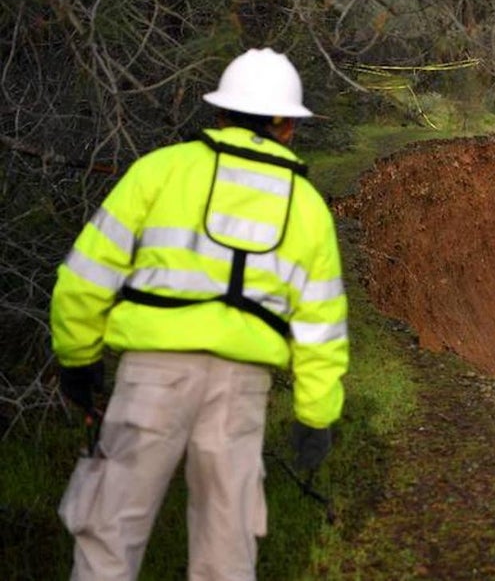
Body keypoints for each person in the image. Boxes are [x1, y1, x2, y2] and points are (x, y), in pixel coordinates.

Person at [50, 48, 350, 580]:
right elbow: (319, 331)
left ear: (220, 114)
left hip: (150, 377)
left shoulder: (161, 171)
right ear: (287, 127)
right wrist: (316, 415)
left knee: (109, 534)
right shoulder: (307, 207)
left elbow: (84, 278)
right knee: (226, 549)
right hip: (239, 392)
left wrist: (78, 359)